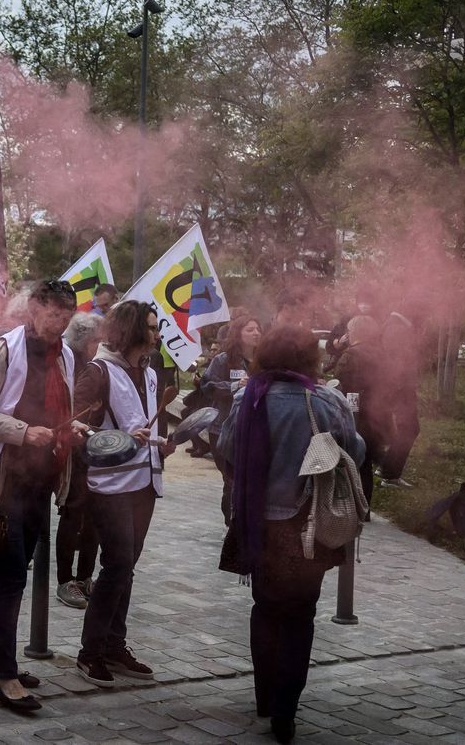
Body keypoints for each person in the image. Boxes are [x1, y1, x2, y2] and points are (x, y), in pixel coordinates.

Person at [219, 325, 365, 744]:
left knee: (265, 608)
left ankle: (265, 699)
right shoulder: (327, 399)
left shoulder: (248, 399)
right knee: (301, 614)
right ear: (309, 358)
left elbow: (227, 450)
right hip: (309, 523)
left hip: (259, 523)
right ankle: (285, 711)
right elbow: (353, 453)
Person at [0, 280, 79, 714]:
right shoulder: (4, 350)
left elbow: (60, 408)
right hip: (5, 479)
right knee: (11, 576)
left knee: (14, 572)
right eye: (54, 315)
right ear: (33, 308)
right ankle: (5, 675)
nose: (60, 324)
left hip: (40, 481)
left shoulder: (65, 354)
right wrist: (23, 432)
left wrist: (69, 429)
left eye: (67, 317)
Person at [72, 300, 175, 688]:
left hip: (144, 483)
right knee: (116, 565)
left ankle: (114, 645)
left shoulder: (148, 373)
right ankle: (90, 652)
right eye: (151, 328)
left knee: (125, 567)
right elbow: (74, 431)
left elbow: (143, 427)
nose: (157, 334)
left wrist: (161, 443)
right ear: (131, 330)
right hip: (110, 486)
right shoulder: (98, 372)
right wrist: (118, 439)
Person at [57, 312, 103, 609]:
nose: (99, 344)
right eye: (96, 340)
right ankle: (66, 581)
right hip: (74, 449)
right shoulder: (69, 361)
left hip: (93, 449)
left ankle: (85, 577)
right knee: (73, 513)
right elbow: (74, 407)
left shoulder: (89, 363)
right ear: (86, 341)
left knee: (93, 516)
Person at [204, 314, 262, 525]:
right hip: (223, 428)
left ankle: (245, 520)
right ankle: (232, 524)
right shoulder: (223, 360)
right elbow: (207, 386)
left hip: (254, 428)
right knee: (231, 479)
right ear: (238, 334)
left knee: (248, 479)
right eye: (250, 329)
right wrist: (234, 387)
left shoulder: (264, 361)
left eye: (257, 329)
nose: (256, 333)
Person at [331, 315, 383, 500]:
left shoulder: (350, 355)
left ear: (353, 332)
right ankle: (365, 504)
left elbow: (341, 384)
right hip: (376, 413)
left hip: (354, 413)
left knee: (350, 458)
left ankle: (349, 503)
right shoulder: (381, 353)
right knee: (366, 461)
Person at [377, 312, 420, 488]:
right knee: (409, 428)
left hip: (401, 388)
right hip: (400, 389)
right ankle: (388, 472)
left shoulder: (396, 325)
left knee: (408, 429)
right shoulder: (396, 328)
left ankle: (389, 470)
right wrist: (402, 387)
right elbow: (395, 362)